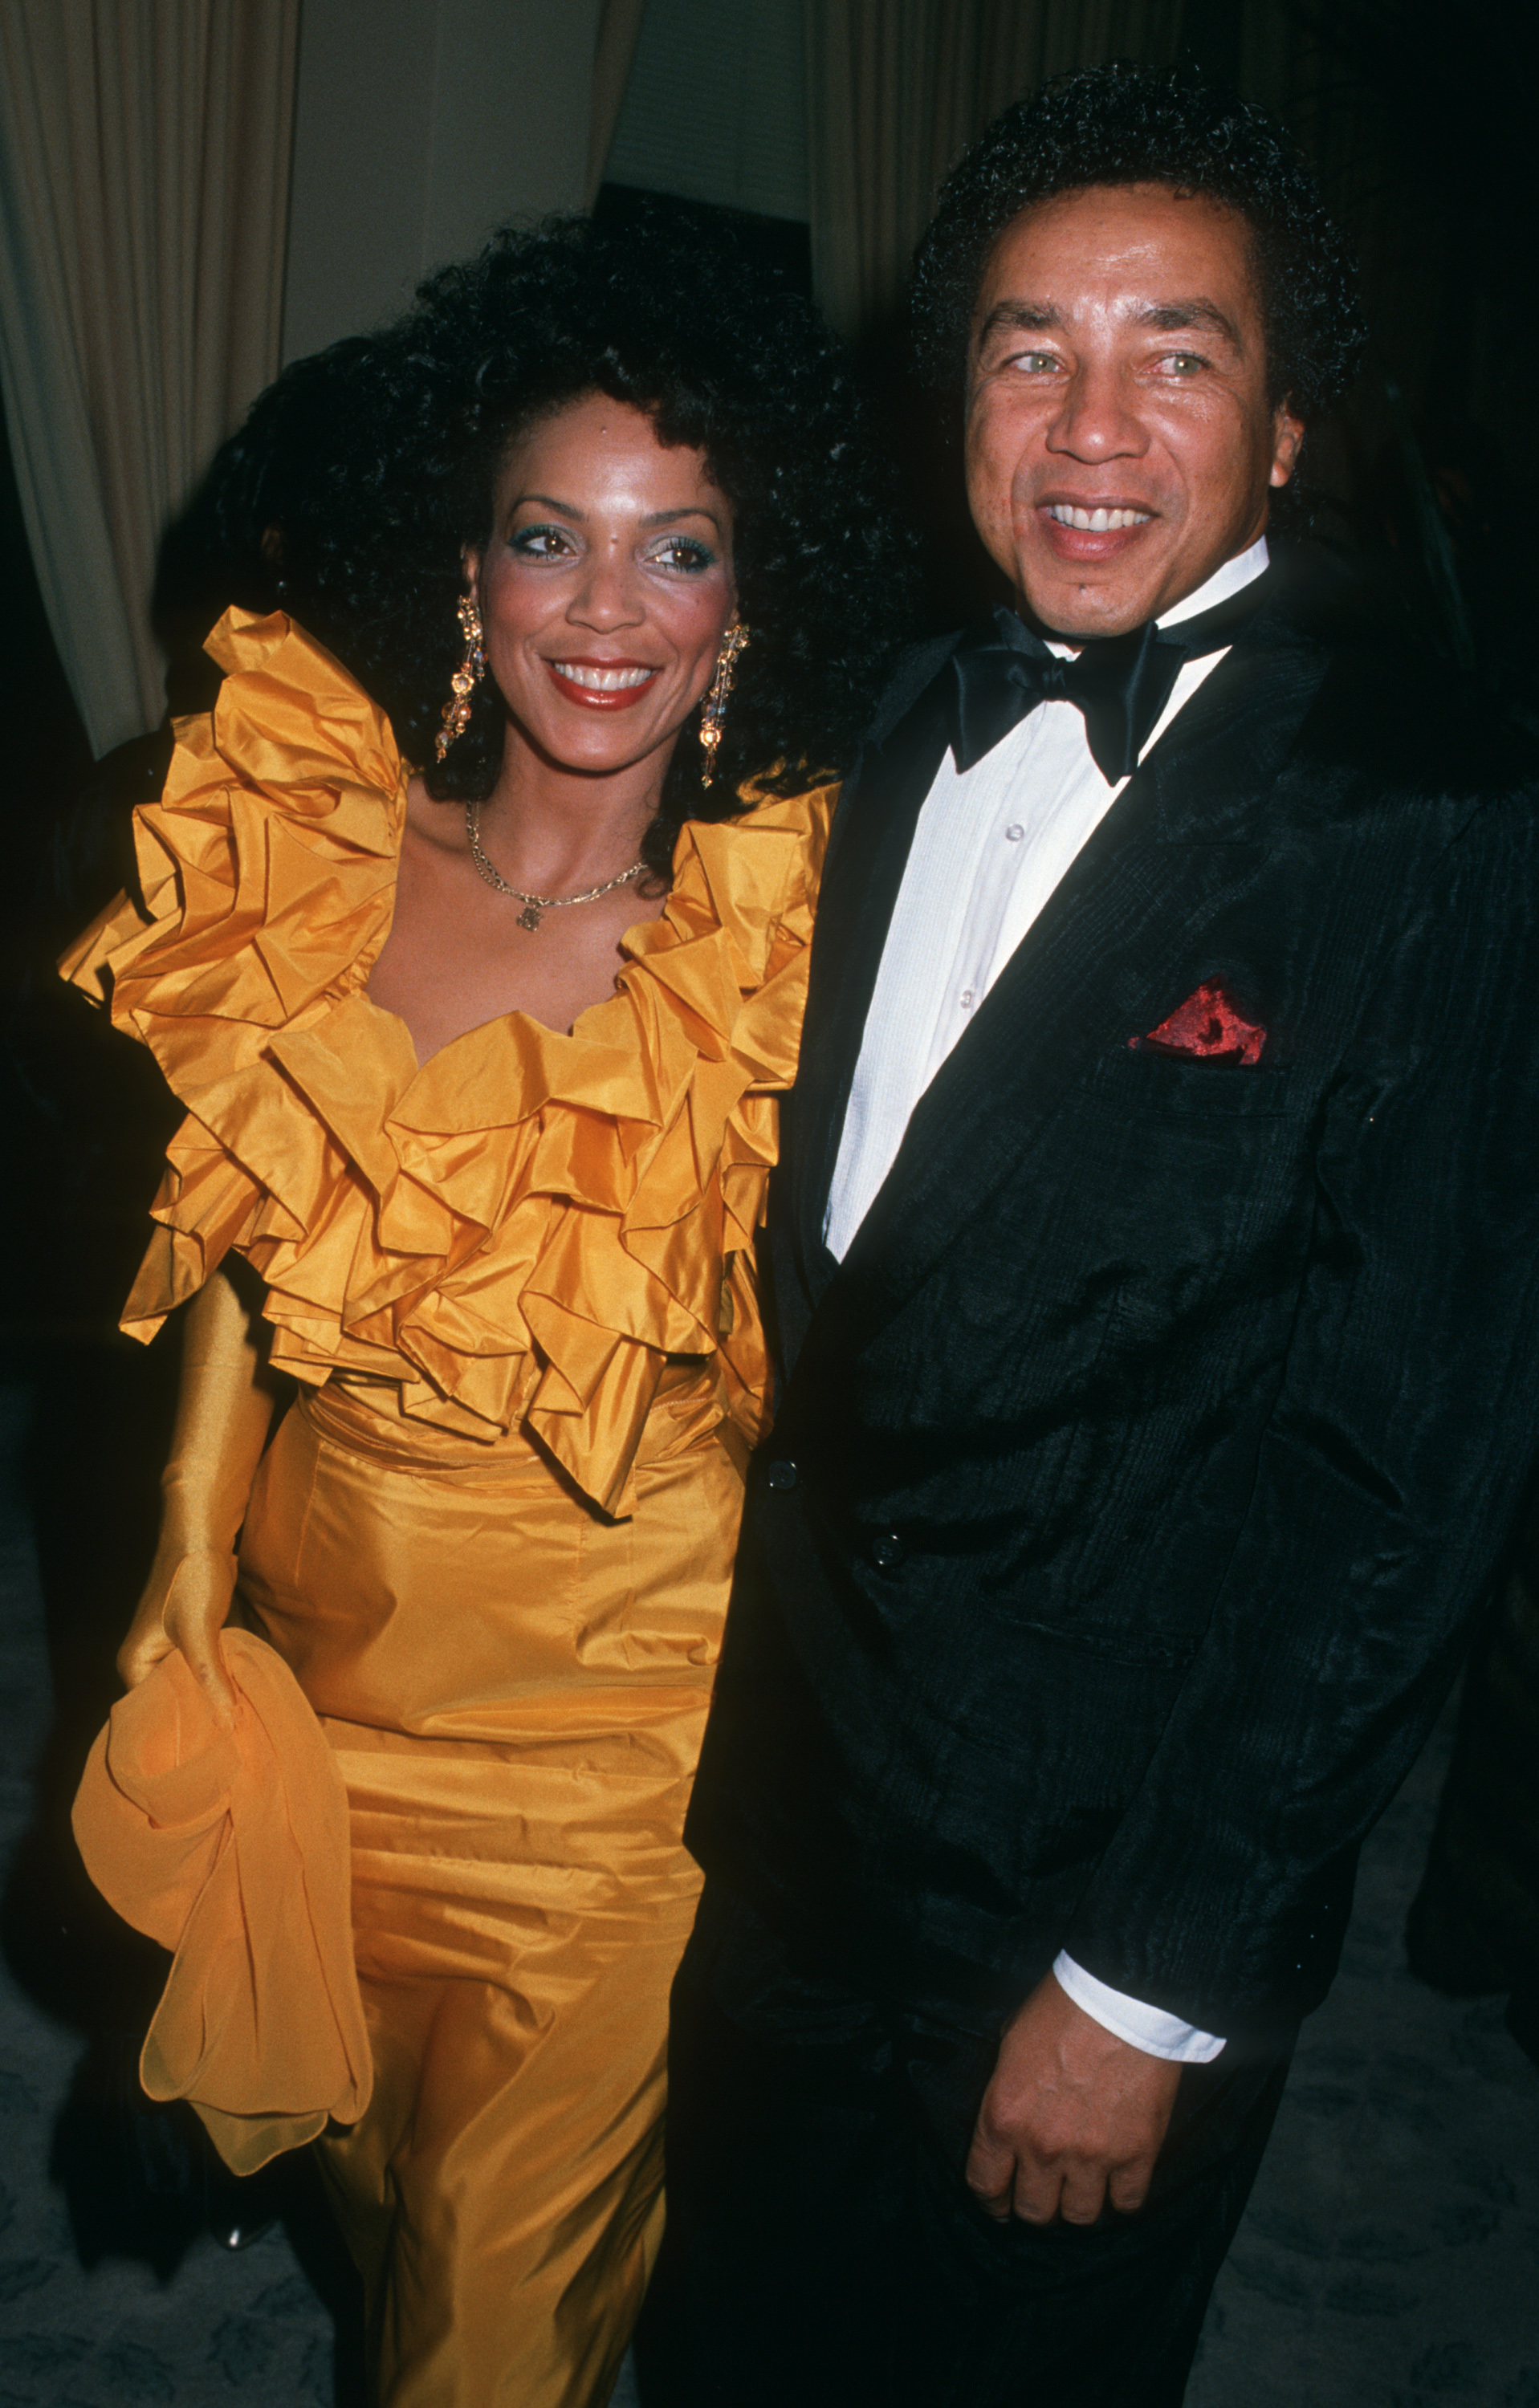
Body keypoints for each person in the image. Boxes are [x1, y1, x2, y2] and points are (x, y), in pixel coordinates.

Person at [635, 63, 1539, 2408]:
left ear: (1289, 422)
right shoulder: (911, 712)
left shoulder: (1429, 823)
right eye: (1030, 347)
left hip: (1084, 1901)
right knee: (728, 2343)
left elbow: (1403, 1483)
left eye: (1178, 351)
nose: (1087, 424)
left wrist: (1155, 1986)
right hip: (786, 1823)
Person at [62, 203, 911, 2408]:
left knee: (489, 2341)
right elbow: (238, 1274)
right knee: (370, 2218)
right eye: (552, 538)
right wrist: (177, 1595)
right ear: (466, 571)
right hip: (319, 1739)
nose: (606, 611)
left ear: (753, 601)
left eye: (680, 550)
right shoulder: (313, 851)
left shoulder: (803, 944)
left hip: (611, 1791)